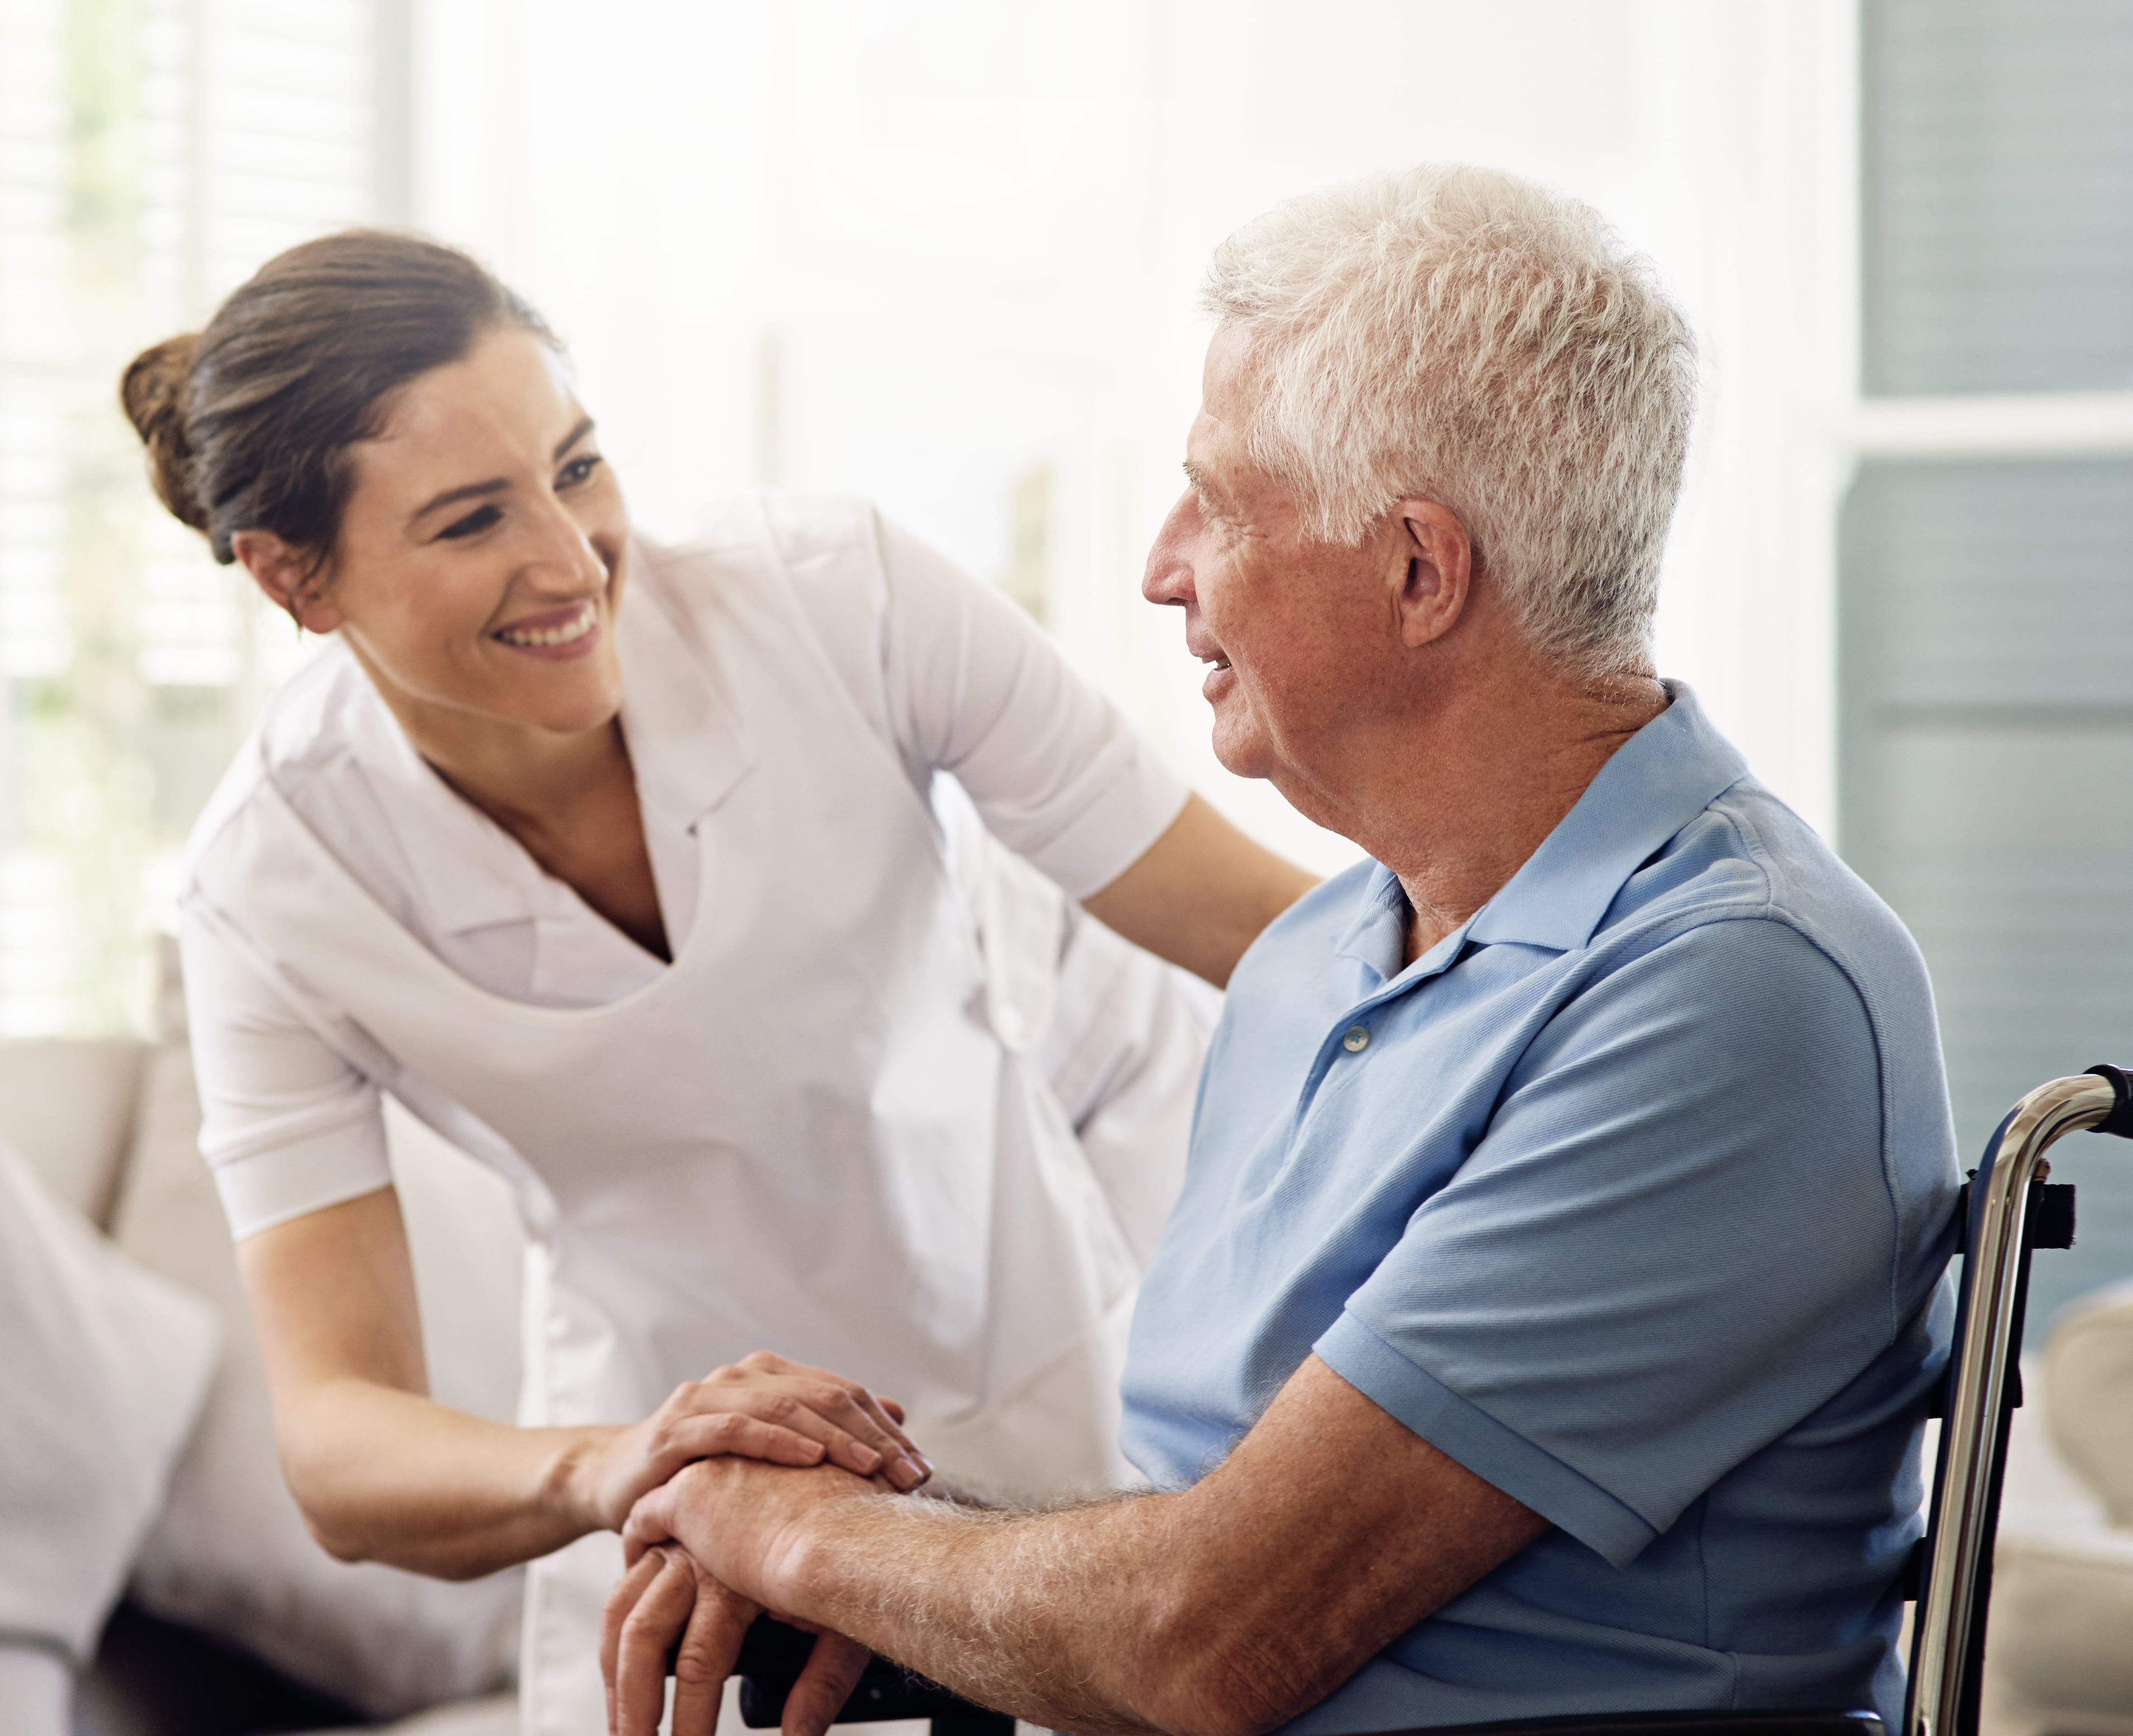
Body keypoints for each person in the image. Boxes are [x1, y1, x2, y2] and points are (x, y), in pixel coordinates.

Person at [604, 165, 1961, 1736]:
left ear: (1418, 572)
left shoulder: (1739, 992)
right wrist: (833, 1549)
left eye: (1221, 501)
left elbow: (1210, 1638)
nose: (1164, 565)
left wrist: (800, 1530)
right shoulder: (1314, 958)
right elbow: (1207, 1538)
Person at [120, 231, 1315, 1735]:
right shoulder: (271, 889)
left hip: (1034, 1383)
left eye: (576, 468)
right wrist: (624, 1461)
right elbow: (337, 1449)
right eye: (471, 519)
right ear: (296, 578)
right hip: (689, 1511)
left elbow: (1279, 938)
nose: (568, 561)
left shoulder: (837, 600)